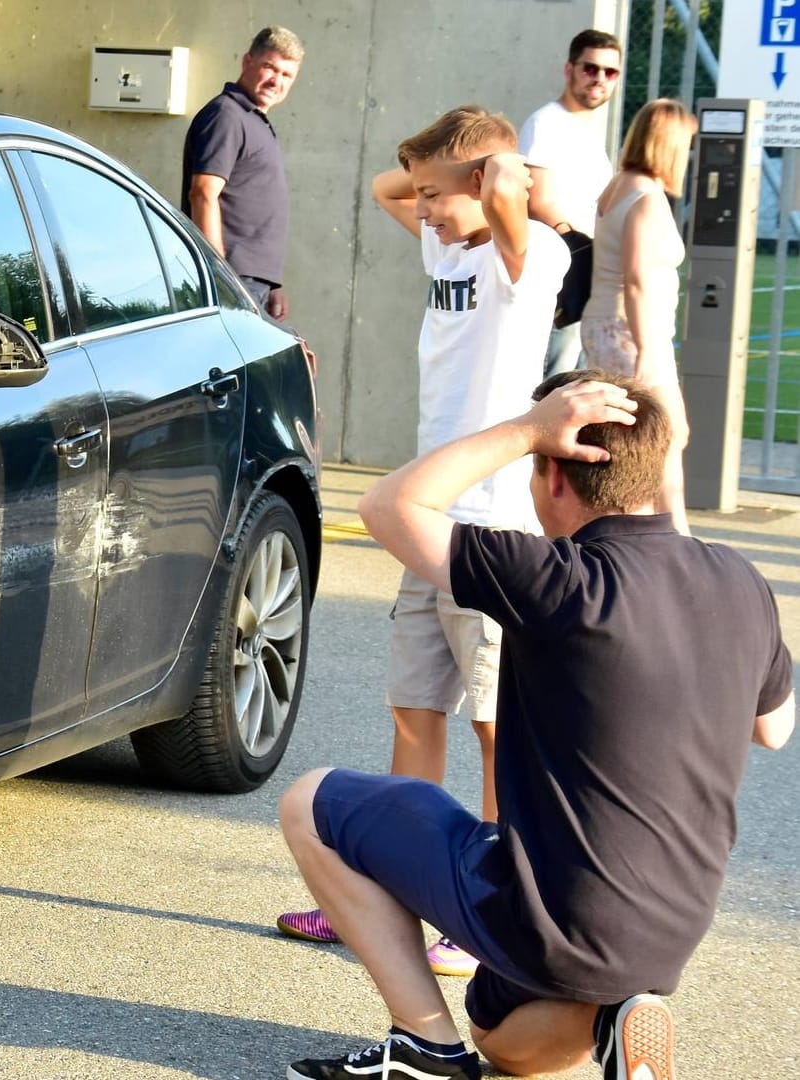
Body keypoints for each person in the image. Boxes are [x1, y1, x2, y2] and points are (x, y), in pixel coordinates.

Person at [278, 370, 793, 1080]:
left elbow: (387, 504)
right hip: (668, 935)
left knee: (310, 803)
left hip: (559, 917)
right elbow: (775, 729)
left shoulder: (555, 578)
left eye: (534, 461)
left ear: (555, 474)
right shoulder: (739, 582)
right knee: (502, 1040)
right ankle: (617, 1014)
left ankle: (424, 1043)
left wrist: (525, 428)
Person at [277, 107, 567, 980]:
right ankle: (397, 899)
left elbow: (508, 194)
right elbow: (385, 183)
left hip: (492, 527)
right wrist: (447, 174)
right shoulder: (448, 247)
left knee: (492, 726)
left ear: (485, 184)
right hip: (429, 520)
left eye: (442, 196)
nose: (425, 209)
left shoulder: (536, 259)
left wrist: (498, 175)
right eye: (429, 197)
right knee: (414, 711)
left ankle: (483, 914)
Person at [582, 98, 698, 535]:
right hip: (634, 333)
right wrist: (649, 351)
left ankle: (654, 535)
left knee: (640, 441)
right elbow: (636, 278)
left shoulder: (617, 187)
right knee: (667, 435)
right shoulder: (646, 199)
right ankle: (676, 538)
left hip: (610, 326)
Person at [520, 29, 624, 376]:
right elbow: (538, 202)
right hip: (563, 271)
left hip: (588, 270)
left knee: (579, 379)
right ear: (569, 70)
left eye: (610, 72)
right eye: (590, 68)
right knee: (554, 381)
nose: (599, 79)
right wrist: (583, 250)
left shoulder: (587, 129)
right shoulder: (547, 124)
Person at [182, 26, 303, 320]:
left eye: (287, 75)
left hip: (250, 281)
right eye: (269, 68)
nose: (277, 81)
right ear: (247, 62)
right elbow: (203, 192)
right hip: (231, 280)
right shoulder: (227, 115)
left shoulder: (253, 120)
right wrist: (219, 275)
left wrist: (271, 284)